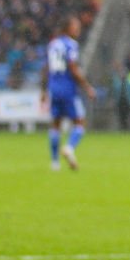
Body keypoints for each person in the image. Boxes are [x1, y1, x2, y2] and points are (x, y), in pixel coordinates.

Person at [40, 15, 95, 171]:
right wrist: (87, 87)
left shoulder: (53, 44)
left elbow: (46, 68)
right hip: (68, 89)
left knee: (55, 125)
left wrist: (43, 90)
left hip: (54, 88)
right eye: (75, 26)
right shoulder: (71, 45)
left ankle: (55, 163)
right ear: (67, 28)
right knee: (80, 123)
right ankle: (69, 148)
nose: (78, 29)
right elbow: (73, 69)